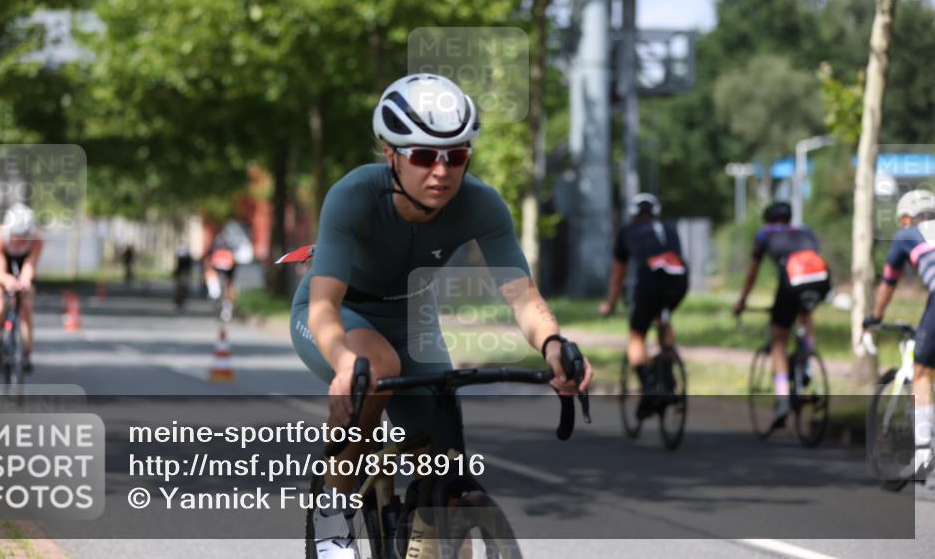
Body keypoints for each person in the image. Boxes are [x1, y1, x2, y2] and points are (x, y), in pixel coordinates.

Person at [288, 73, 593, 558]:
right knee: (376, 368)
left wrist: (554, 345)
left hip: (412, 318)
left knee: (442, 457)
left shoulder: (481, 204)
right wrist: (345, 363)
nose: (441, 171)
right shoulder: (354, 195)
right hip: (342, 312)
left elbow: (522, 296)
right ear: (391, 154)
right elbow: (324, 304)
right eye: (424, 156)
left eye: (456, 156)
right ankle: (333, 512)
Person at [733, 201, 831, 428]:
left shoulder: (765, 234)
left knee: (778, 339)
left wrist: (742, 300)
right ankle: (806, 359)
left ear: (768, 219)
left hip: (791, 282)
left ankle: (783, 398)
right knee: (805, 314)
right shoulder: (805, 231)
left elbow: (753, 272)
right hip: (821, 281)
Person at [864, 188, 935, 477]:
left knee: (922, 372)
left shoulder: (907, 235)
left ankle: (924, 456)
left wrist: (874, 318)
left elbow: (888, 283)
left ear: (907, 218)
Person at [598, 193, 689, 417]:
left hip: (650, 282)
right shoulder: (669, 228)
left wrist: (610, 304)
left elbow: (618, 273)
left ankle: (648, 387)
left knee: (637, 336)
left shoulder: (627, 231)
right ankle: (668, 376)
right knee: (662, 317)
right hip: (679, 281)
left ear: (633, 214)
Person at [0, 203, 44, 373]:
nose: (20, 240)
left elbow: (30, 265)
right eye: (16, 235)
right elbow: (0, 273)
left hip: (22, 265)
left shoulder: (37, 240)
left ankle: (27, 354)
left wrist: (25, 280)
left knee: (26, 308)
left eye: (24, 236)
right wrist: (7, 280)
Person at [204, 232, 237, 321]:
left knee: (224, 285)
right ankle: (227, 306)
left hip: (223, 269)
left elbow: (207, 258)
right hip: (227, 269)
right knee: (228, 285)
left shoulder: (215, 246)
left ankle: (223, 302)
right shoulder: (230, 246)